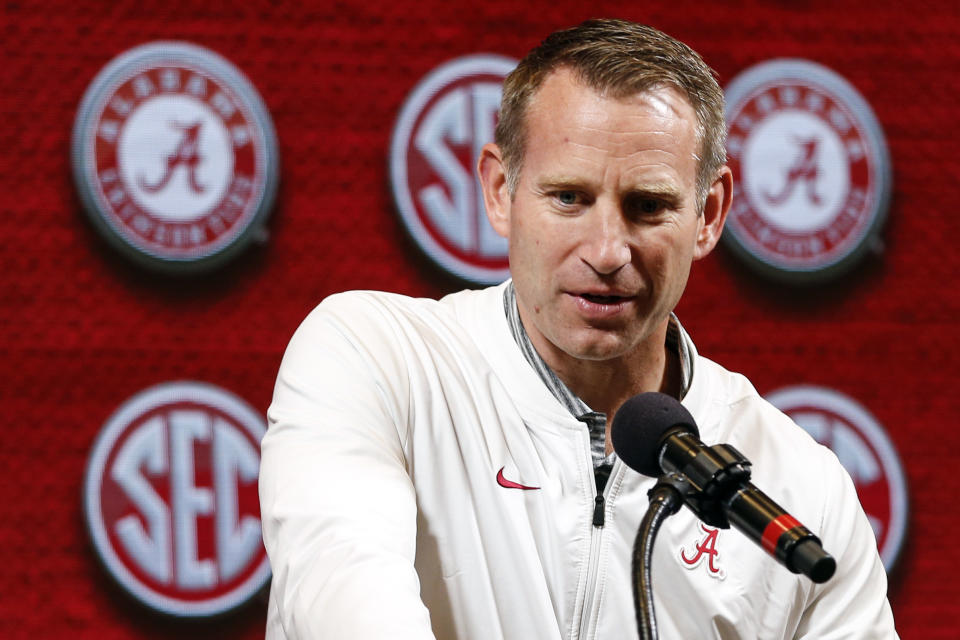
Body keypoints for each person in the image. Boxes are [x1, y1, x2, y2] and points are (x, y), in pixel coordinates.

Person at [259, 19, 898, 639]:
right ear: (500, 191)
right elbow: (345, 605)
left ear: (708, 214)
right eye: (568, 197)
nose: (607, 249)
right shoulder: (375, 359)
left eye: (648, 206)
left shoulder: (803, 487)